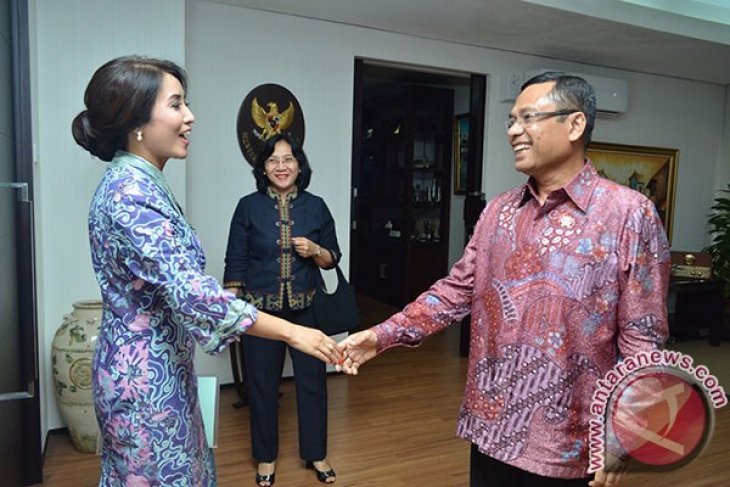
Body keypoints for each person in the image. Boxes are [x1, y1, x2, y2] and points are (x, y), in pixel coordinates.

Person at [338, 72, 670, 487]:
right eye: (512, 120)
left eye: (528, 117)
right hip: (491, 428)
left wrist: (625, 435)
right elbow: (454, 292)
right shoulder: (499, 211)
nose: (514, 130)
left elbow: (643, 336)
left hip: (568, 444)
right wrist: (382, 335)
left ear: (575, 124)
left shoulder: (628, 213)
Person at [71, 55, 341, 487]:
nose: (190, 116)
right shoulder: (130, 194)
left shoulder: (145, 182)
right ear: (137, 121)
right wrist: (293, 333)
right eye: (176, 104)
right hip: (145, 382)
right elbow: (195, 293)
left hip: (163, 367)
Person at [223, 133, 341, 486]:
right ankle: (265, 457)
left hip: (307, 310)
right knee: (261, 385)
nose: (281, 166)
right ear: (263, 168)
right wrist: (229, 312)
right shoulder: (248, 206)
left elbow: (332, 259)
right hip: (261, 314)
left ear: (299, 165)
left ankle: (316, 453)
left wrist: (315, 250)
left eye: (288, 159)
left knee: (313, 383)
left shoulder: (316, 206)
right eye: (273, 160)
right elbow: (235, 261)